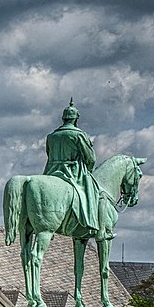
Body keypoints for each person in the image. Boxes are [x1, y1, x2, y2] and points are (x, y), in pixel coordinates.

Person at [43, 99, 110, 240]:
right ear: (75, 119)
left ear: (63, 119)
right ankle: (94, 226)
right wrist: (89, 171)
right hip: (73, 172)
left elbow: (49, 153)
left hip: (51, 171)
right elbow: (90, 158)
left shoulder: (51, 136)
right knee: (97, 193)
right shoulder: (78, 135)